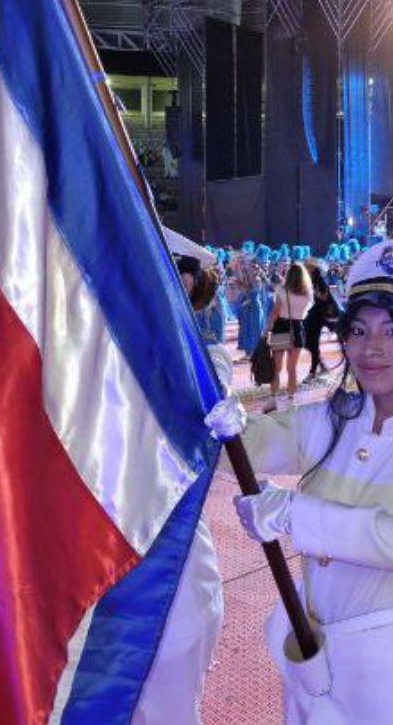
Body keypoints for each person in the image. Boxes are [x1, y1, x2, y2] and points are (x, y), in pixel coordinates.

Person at [205, 240, 393, 724]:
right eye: (358, 330)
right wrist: (216, 417)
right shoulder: (334, 418)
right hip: (313, 655)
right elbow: (245, 447)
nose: (371, 348)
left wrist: (298, 515)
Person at [133, 267, 229, 724]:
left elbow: (194, 425)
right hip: (103, 547)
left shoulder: (206, 358)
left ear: (185, 283)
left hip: (171, 547)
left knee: (169, 686)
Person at [264, 262, 314, 410]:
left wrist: (267, 328)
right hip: (297, 328)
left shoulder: (281, 289)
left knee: (276, 367)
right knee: (292, 368)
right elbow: (306, 311)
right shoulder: (308, 293)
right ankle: (291, 399)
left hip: (281, 327)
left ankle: (273, 398)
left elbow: (276, 311)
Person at [303, 262, 340, 381]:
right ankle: (320, 367)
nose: (305, 268)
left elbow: (325, 297)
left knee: (312, 343)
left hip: (317, 316)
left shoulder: (319, 281)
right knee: (308, 343)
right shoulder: (306, 281)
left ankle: (313, 370)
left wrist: (313, 292)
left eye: (308, 267)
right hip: (309, 316)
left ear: (313, 269)